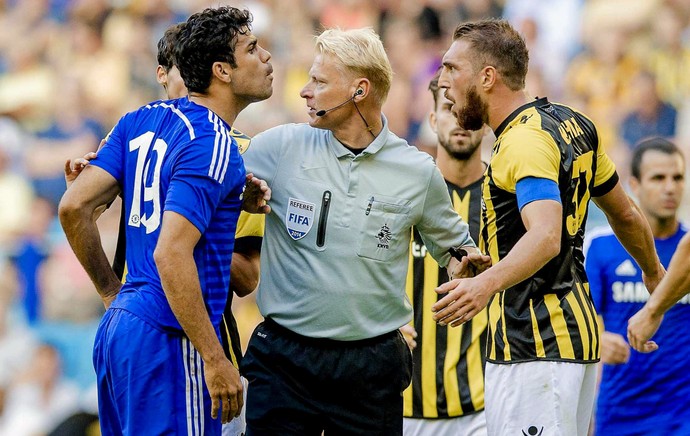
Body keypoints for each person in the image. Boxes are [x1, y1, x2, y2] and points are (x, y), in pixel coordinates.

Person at [239, 27, 488, 436]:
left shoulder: (417, 172)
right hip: (283, 360)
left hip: (371, 368)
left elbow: (457, 250)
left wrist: (465, 267)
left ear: (359, 90)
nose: (305, 92)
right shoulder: (279, 147)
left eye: (318, 82)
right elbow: (203, 175)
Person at [432, 19, 665, 436]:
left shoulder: (522, 140)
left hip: (537, 347)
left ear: (487, 77)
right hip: (570, 344)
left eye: (452, 69)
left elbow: (545, 235)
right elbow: (625, 214)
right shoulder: (573, 124)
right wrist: (654, 274)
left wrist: (485, 286)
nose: (442, 80)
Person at [58, 6, 273, 435]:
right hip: (172, 338)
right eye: (252, 49)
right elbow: (171, 252)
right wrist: (215, 359)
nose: (266, 57)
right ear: (221, 71)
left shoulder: (137, 120)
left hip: (120, 329)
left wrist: (110, 292)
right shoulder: (215, 143)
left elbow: (72, 206)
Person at [402, 70, 488, 436]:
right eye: (450, 110)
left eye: (470, 112)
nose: (461, 121)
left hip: (485, 406)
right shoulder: (400, 194)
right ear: (433, 118)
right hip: (403, 402)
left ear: (487, 122)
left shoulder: (509, 200)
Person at [585, 137, 687, 435]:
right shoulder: (601, 246)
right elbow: (573, 319)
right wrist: (597, 340)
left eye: (677, 177)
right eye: (658, 178)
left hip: (681, 412)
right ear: (635, 185)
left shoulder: (687, 251)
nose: (670, 187)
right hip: (620, 411)